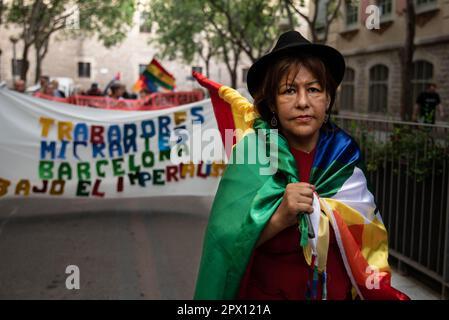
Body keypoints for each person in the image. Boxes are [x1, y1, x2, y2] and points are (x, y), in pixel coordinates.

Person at [194, 31, 410, 300]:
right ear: (272, 103)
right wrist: (280, 216)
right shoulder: (251, 154)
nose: (303, 102)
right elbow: (224, 246)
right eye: (288, 90)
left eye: (314, 89)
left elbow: (366, 235)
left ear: (328, 98)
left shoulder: (344, 154)